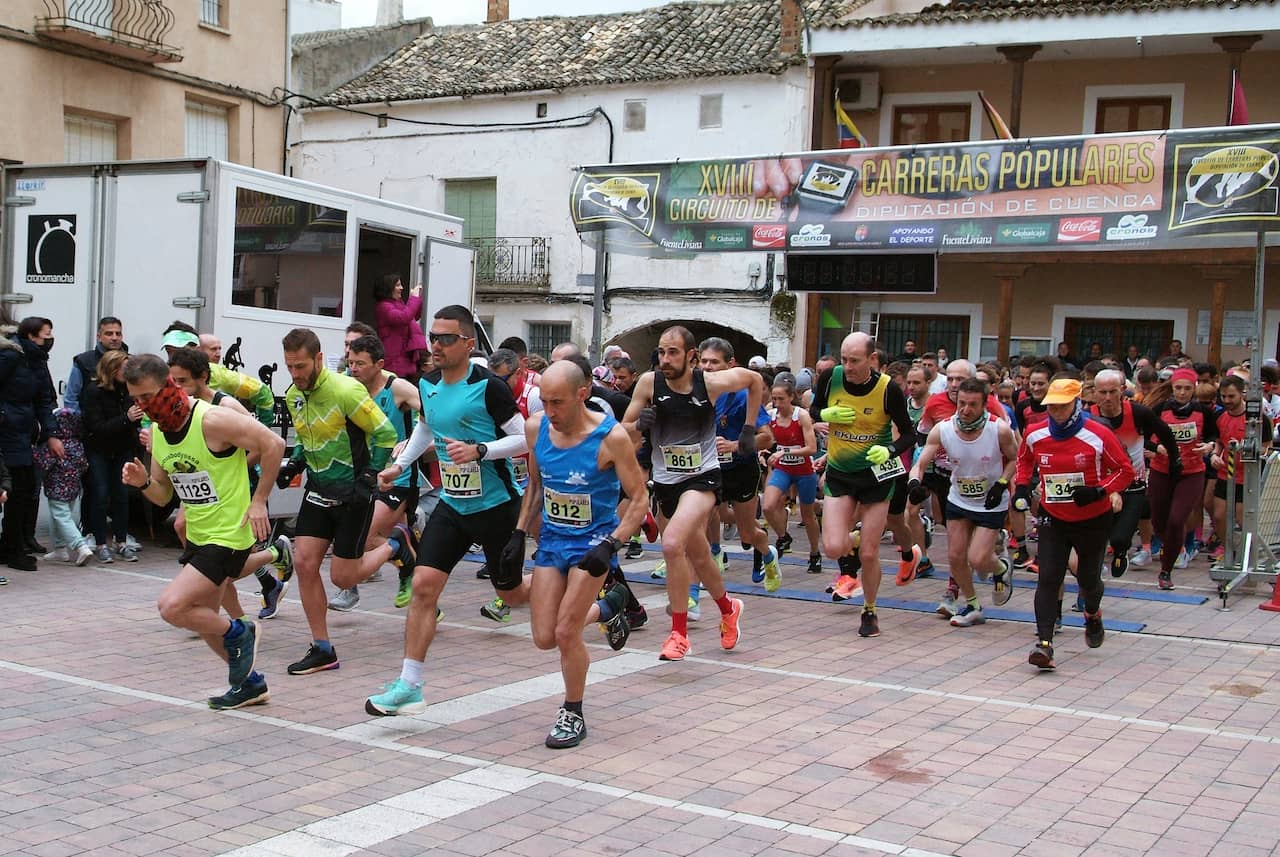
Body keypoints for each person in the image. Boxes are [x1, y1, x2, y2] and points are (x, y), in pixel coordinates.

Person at [364, 305, 533, 716]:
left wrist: (480, 451)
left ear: (468, 343)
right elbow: (427, 427)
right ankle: (409, 685)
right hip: (453, 505)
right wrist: (401, 465)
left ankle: (572, 587)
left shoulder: (489, 387)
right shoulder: (427, 384)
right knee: (424, 586)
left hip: (496, 506)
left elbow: (525, 439)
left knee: (511, 594)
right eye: (433, 337)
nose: (435, 345)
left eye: (446, 338)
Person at [122, 353, 285, 709]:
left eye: (147, 396)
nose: (143, 405)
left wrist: (259, 500)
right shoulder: (159, 433)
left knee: (172, 607)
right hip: (199, 533)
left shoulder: (211, 419)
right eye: (135, 399)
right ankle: (250, 685)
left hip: (229, 534)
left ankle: (242, 630)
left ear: (168, 385)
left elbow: (274, 444)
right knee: (203, 620)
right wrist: (143, 482)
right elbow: (163, 494)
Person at [515, 361, 649, 747]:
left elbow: (639, 498)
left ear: (582, 394)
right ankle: (609, 607)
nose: (549, 411)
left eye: (557, 402)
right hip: (553, 542)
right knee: (544, 637)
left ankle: (572, 712)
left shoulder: (611, 438)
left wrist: (612, 544)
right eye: (544, 401)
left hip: (593, 545)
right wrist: (518, 533)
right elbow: (536, 485)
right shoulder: (536, 428)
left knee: (565, 632)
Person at [621, 326, 762, 661]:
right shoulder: (649, 384)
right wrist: (638, 424)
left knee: (672, 545)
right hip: (666, 483)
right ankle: (728, 608)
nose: (665, 359)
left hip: (702, 479)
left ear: (691, 356)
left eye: (673, 352)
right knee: (698, 555)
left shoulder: (709, 383)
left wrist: (748, 430)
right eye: (661, 352)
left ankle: (678, 634)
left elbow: (755, 381)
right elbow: (622, 432)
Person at [277, 328, 399, 676]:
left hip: (352, 495)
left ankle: (396, 544)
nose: (295, 374)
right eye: (289, 367)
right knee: (304, 564)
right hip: (317, 492)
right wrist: (295, 463)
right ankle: (322, 648)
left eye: (301, 366)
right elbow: (306, 438)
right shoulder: (294, 395)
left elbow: (385, 433)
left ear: (319, 358)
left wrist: (371, 473)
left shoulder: (346, 390)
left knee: (343, 578)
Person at [1014, 378, 1133, 670]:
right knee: (1048, 577)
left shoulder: (1098, 433)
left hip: (1092, 518)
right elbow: (1024, 461)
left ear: (1076, 403)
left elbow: (1125, 471)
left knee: (1088, 581)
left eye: (1062, 406)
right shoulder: (1035, 432)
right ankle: (1044, 644)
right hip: (1053, 517)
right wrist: (1021, 487)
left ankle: (1092, 614)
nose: (1056, 412)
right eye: (1051, 406)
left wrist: (1099, 491)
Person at [167, 347, 294, 620]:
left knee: (219, 560)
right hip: (202, 485)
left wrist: (232, 469)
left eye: (182, 381)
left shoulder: (226, 407)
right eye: (172, 381)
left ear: (203, 377)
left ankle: (230, 610)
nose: (176, 388)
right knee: (182, 527)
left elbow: (264, 445)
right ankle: (262, 583)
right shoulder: (179, 409)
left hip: (231, 486)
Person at [808, 332, 917, 637]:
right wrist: (824, 414)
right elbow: (814, 410)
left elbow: (910, 434)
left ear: (872, 359)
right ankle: (854, 539)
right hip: (841, 473)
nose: (848, 367)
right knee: (833, 548)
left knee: (869, 554)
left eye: (854, 361)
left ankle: (869, 610)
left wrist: (889, 450)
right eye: (844, 359)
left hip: (876, 476)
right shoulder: (831, 378)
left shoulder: (888, 389)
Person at [910, 378, 1019, 627]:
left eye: (972, 405)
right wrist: (914, 483)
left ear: (984, 405)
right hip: (959, 498)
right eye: (962, 403)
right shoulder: (943, 429)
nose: (966, 410)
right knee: (956, 556)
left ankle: (1001, 568)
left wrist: (1002, 483)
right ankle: (973, 605)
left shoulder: (999, 429)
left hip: (991, 501)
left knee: (978, 559)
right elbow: (921, 462)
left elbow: (1016, 459)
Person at [326, 334, 422, 612]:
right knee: (377, 535)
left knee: (365, 536)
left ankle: (353, 584)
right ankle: (423, 595)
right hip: (363, 475)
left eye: (360, 364)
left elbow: (433, 414)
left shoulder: (397, 388)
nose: (353, 369)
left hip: (397, 477)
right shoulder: (347, 387)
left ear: (379, 364)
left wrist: (412, 440)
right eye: (350, 363)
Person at [699, 338, 780, 593]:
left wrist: (735, 445)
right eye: (703, 361)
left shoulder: (744, 396)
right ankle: (695, 587)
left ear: (730, 364)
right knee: (700, 522)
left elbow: (767, 438)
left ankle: (767, 554)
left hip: (742, 469)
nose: (708, 367)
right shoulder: (697, 394)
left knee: (747, 534)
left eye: (714, 362)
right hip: (710, 469)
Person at [1088, 369, 1180, 578]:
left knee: (1120, 538)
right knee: (1098, 534)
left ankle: (1121, 551)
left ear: (1122, 390)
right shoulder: (1088, 416)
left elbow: (1164, 432)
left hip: (1133, 485)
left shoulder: (1139, 413)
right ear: (1095, 392)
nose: (1108, 398)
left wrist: (1175, 459)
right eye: (1102, 392)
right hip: (1102, 486)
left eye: (1113, 392)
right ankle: (1093, 570)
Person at [1148, 367, 1218, 588]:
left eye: (1187, 388)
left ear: (1194, 389)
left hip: (1191, 472)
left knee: (1177, 520)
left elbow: (1214, 435)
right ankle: (1169, 546)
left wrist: (1209, 445)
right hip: (1162, 470)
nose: (1182, 392)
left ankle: (1166, 571)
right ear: (1172, 388)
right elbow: (1146, 437)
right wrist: (1158, 448)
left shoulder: (1203, 412)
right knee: (1159, 522)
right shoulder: (1160, 409)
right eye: (1178, 388)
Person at [0, 316, 60, 570]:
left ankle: (11, 546)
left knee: (23, 491)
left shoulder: (37, 360)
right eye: (46, 335)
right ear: (31, 336)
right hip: (7, 433)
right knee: (15, 490)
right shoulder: (11, 357)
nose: (50, 339)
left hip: (23, 434)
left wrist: (51, 433)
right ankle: (13, 550)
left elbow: (44, 400)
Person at [79, 349, 141, 564]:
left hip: (122, 448)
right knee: (100, 494)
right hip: (99, 449)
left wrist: (136, 424)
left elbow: (133, 421)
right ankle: (100, 543)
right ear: (112, 369)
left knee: (121, 495)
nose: (128, 373)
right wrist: (126, 418)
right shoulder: (94, 391)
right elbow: (97, 427)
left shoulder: (128, 390)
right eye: (125, 368)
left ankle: (121, 541)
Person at [762, 378, 822, 575]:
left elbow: (812, 448)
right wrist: (762, 451)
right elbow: (763, 438)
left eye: (781, 399)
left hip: (804, 471)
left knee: (807, 515)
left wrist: (785, 452)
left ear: (791, 397)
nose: (777, 403)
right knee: (768, 506)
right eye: (774, 399)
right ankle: (783, 536)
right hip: (783, 469)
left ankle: (815, 553)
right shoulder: (770, 415)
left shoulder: (801, 416)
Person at [32, 407, 94, 566]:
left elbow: (43, 463)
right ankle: (60, 549)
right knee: (58, 517)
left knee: (61, 517)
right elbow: (84, 465)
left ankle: (80, 546)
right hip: (73, 489)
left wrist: (34, 451)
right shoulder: (77, 444)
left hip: (56, 489)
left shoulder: (55, 445)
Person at [65, 316, 126, 413]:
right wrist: (77, 419)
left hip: (125, 419)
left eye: (118, 334)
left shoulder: (131, 361)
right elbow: (71, 398)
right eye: (109, 334)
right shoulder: (83, 361)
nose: (114, 338)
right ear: (99, 337)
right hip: (90, 419)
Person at [374, 273, 428, 382]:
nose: (401, 288)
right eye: (398, 285)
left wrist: (417, 299)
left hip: (403, 358)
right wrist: (414, 298)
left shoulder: (397, 304)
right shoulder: (383, 306)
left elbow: (413, 316)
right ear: (388, 288)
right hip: (393, 360)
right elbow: (403, 318)